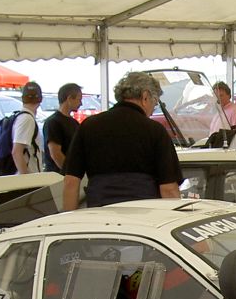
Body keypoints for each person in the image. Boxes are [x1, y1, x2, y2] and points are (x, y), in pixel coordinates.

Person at [62, 72, 181, 210]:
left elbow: (71, 182)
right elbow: (168, 189)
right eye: (154, 103)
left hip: (99, 216)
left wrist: (70, 221)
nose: (153, 111)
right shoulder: (155, 131)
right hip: (145, 218)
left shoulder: (89, 126)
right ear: (145, 96)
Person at [43, 82, 82, 173]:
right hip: (57, 176)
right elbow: (55, 153)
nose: (81, 103)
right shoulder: (53, 122)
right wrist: (70, 172)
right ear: (69, 98)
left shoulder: (74, 123)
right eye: (79, 99)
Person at [12, 81, 43, 175]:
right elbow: (16, 152)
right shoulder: (27, 119)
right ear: (40, 99)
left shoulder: (21, 116)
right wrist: (26, 179)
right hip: (28, 180)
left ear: (22, 98)